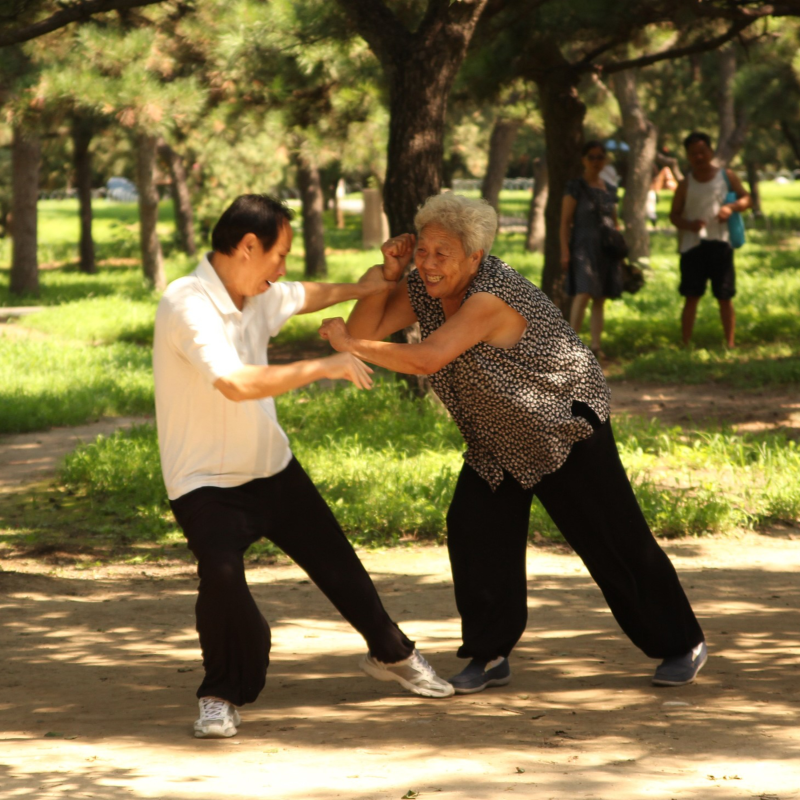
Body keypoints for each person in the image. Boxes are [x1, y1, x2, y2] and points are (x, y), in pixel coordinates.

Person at [319, 193, 707, 695]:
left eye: (444, 253)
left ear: (475, 257)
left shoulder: (490, 295)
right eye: (423, 251)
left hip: (561, 423)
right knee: (475, 530)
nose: (429, 264)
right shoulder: (421, 283)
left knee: (611, 537)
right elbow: (364, 328)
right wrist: (388, 276)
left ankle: (682, 642)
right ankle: (490, 653)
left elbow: (426, 358)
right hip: (496, 432)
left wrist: (350, 347)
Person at [153, 194, 453, 739]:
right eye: (280, 254)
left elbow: (310, 294)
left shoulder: (256, 293)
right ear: (247, 247)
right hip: (205, 484)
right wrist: (323, 367)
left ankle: (392, 654)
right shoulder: (187, 303)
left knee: (338, 565)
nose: (283, 269)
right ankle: (220, 694)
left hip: (271, 466)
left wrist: (375, 282)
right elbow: (234, 383)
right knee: (221, 581)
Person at [670, 131, 751, 348]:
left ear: (711, 151)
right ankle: (685, 343)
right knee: (691, 295)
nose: (698, 157)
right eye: (693, 153)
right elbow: (674, 215)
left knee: (725, 296)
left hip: (721, 244)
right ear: (687, 156)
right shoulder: (685, 183)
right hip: (693, 246)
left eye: (702, 151)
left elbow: (746, 198)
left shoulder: (727, 176)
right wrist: (689, 225)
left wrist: (731, 208)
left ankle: (730, 343)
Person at [560, 141, 623, 359]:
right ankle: (569, 344)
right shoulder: (575, 187)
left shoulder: (610, 189)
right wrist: (564, 251)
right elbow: (565, 222)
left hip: (606, 250)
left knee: (600, 297)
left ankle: (596, 345)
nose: (596, 161)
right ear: (584, 160)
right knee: (584, 292)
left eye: (600, 157)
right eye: (591, 157)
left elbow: (615, 221)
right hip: (582, 247)